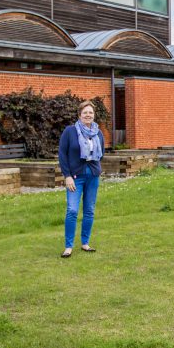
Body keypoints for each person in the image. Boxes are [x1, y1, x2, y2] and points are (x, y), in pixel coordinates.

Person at [57, 100, 105, 258]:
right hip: (75, 177)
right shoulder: (70, 131)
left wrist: (95, 169)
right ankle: (68, 246)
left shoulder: (98, 133)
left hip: (92, 176)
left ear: (94, 115)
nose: (88, 115)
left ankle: (85, 243)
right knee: (72, 210)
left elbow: (101, 153)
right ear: (79, 115)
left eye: (90, 112)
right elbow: (62, 154)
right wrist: (67, 176)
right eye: (85, 112)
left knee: (89, 210)